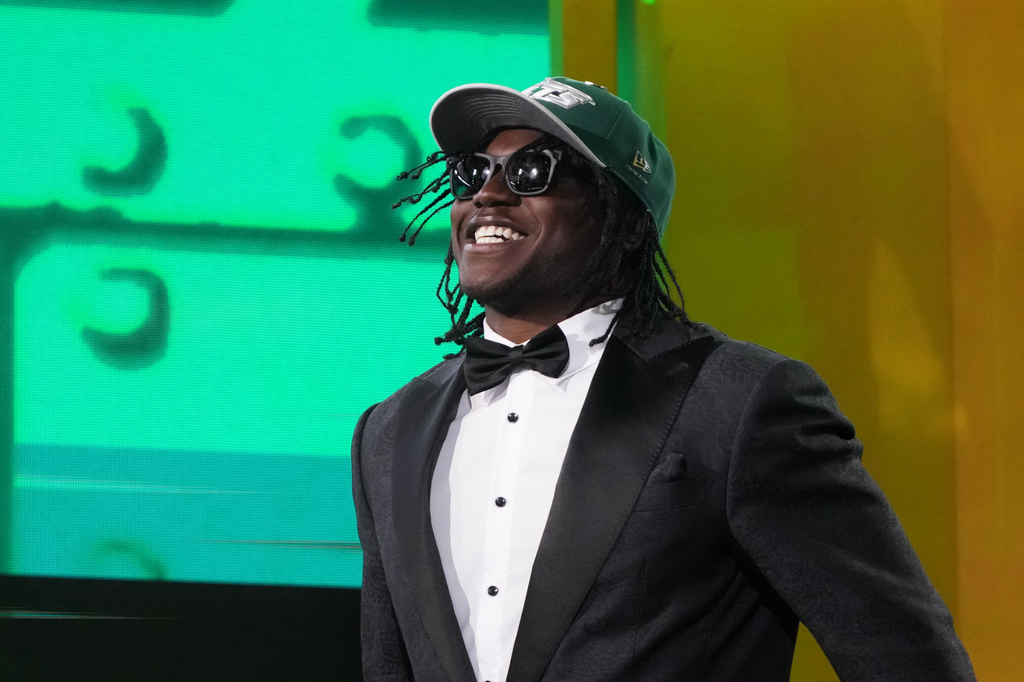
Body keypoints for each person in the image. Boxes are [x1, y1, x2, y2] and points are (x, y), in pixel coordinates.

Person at [351, 76, 975, 681]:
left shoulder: (739, 401)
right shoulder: (391, 429)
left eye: (532, 172)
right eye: (473, 172)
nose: (489, 194)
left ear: (624, 225)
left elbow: (899, 650)